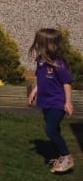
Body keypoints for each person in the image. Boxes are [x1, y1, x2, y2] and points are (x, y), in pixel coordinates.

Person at [27, 28, 75, 173]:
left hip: (58, 102)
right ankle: (59, 155)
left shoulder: (58, 64)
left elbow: (67, 83)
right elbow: (40, 80)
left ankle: (67, 157)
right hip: (45, 102)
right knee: (53, 129)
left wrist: (68, 102)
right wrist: (34, 92)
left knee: (50, 129)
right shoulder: (40, 61)